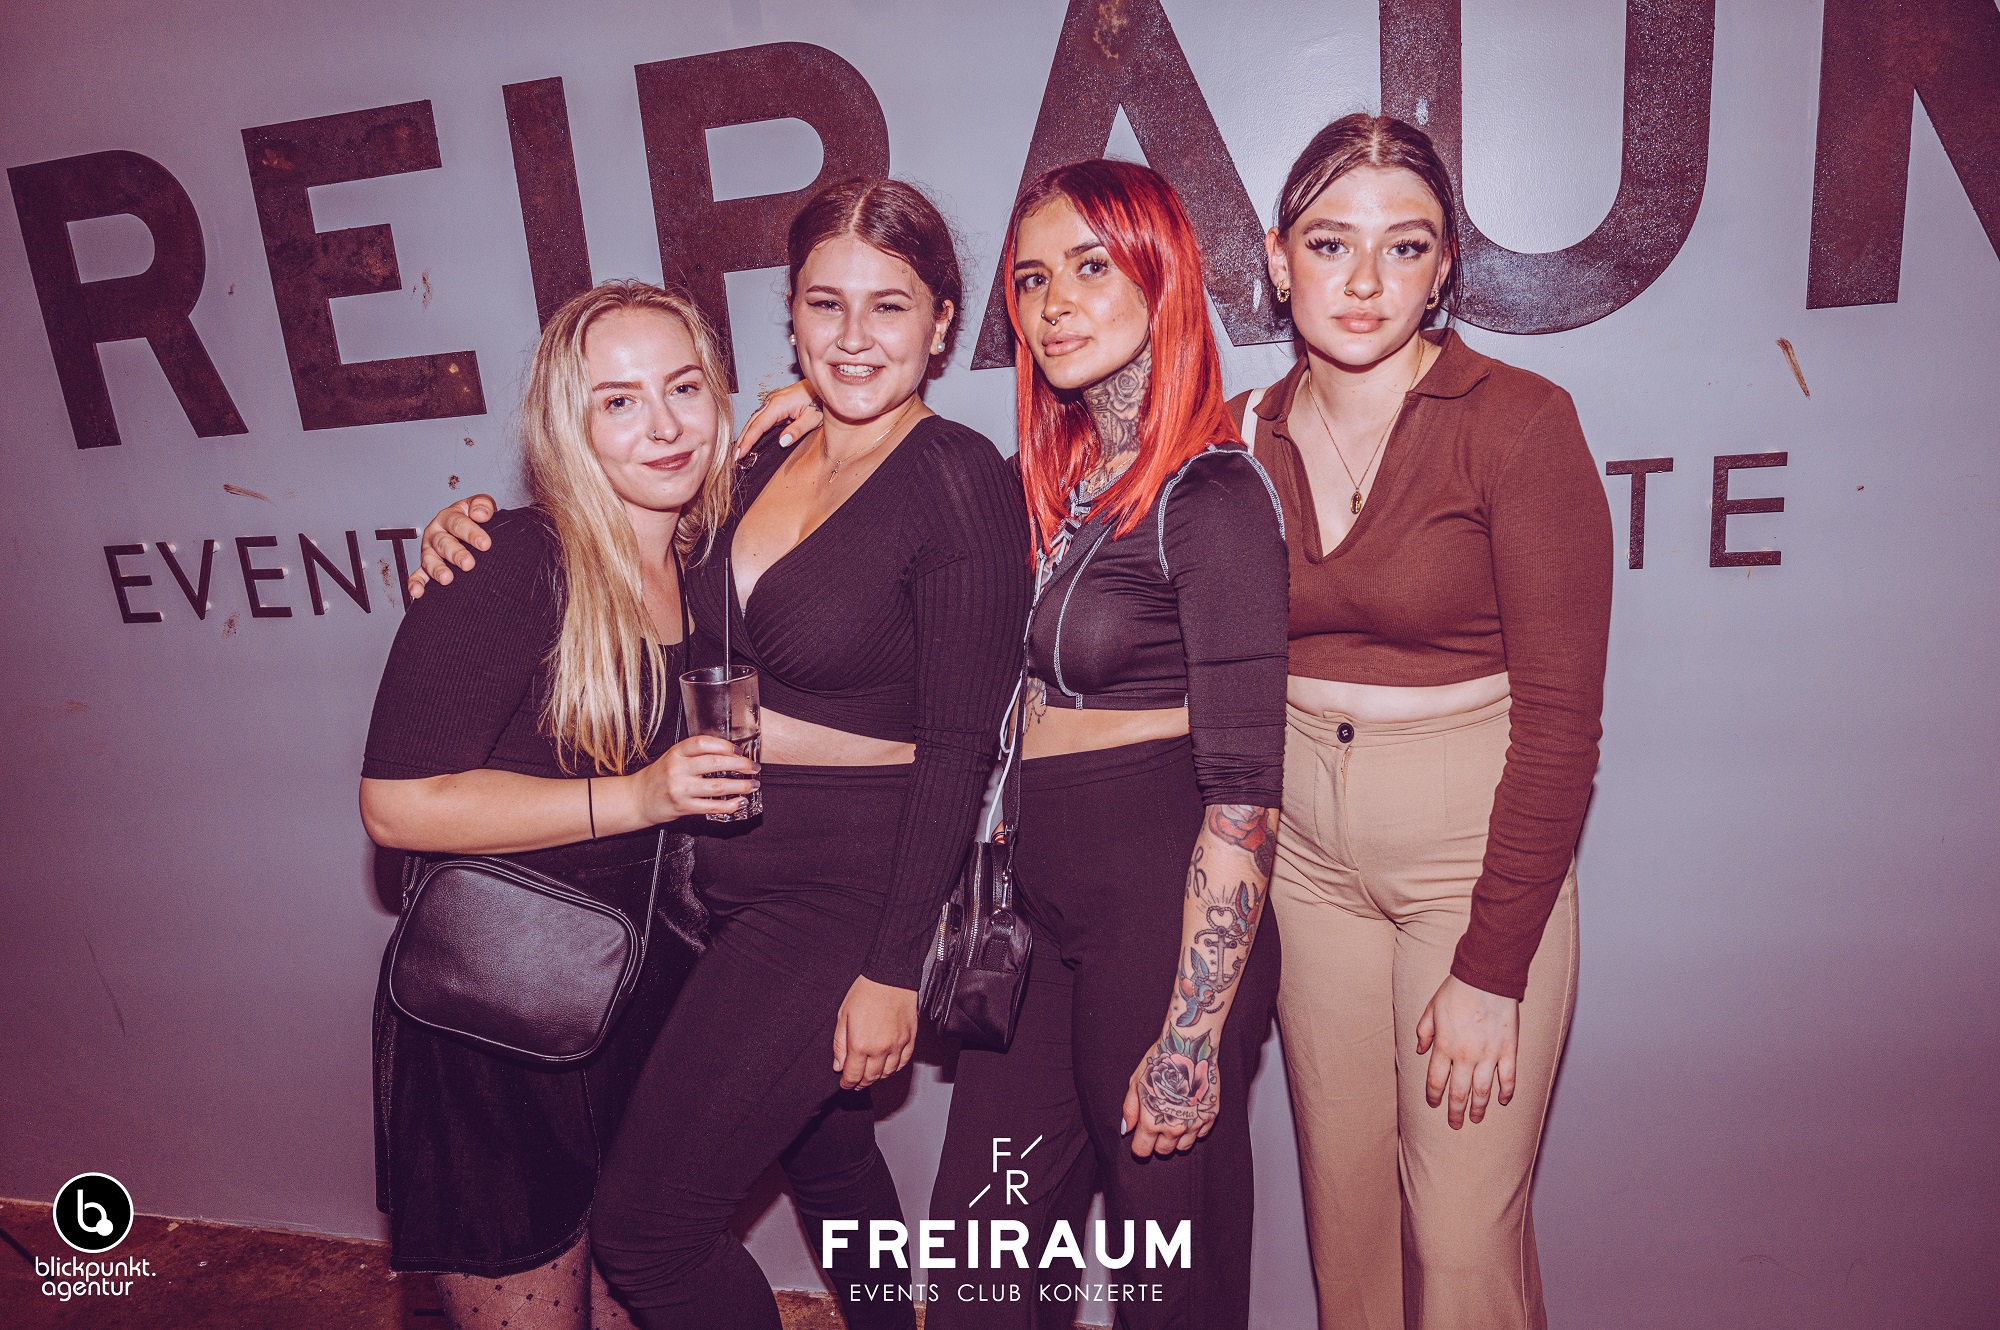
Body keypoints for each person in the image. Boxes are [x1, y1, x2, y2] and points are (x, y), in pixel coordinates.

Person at [404, 179, 1031, 1328]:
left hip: (836, 903)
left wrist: (892, 970)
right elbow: (618, 551)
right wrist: (465, 531)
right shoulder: (760, 457)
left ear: (943, 322)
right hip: (713, 890)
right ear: (789, 315)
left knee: (648, 1233)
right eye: (825, 304)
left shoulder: (956, 479)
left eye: (889, 306)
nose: (854, 336)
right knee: (832, 1161)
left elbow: (956, 746)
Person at [1241, 112, 1613, 1330]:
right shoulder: (1238, 433)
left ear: (1443, 265)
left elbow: (1559, 724)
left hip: (1467, 864)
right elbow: (1085, 479)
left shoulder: (1517, 420)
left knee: (1458, 1239)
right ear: (1275, 257)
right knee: (1345, 1218)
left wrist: (1491, 968)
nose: (1362, 280)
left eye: (1401, 247)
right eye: (1327, 242)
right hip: (1305, 867)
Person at [920, 160, 1288, 1330]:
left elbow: (1243, 794)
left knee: (1166, 1288)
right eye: (1031, 279)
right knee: (976, 1269)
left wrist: (1191, 1033)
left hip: (1159, 921)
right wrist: (793, 421)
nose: (1054, 303)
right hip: (1034, 925)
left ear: (1158, 275)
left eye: (1089, 266)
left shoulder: (1212, 495)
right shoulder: (1051, 485)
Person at [358, 280, 758, 1330]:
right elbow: (396, 807)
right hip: (503, 1032)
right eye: (617, 401)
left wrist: (813, 399)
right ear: (565, 426)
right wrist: (639, 795)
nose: (663, 425)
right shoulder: (509, 564)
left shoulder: (706, 564)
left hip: (647, 1015)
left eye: (683, 388)